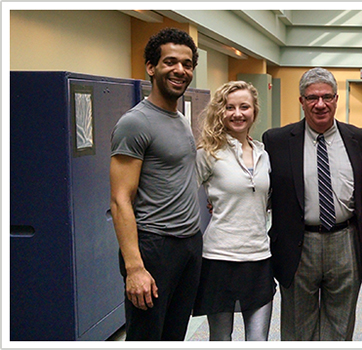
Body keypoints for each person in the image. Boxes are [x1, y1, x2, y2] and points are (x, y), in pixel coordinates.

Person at [262, 67, 362, 340]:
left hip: (345, 240)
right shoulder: (275, 141)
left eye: (327, 97)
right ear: (301, 101)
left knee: (341, 323)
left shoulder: (361, 139)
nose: (320, 104)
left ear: (337, 99)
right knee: (297, 326)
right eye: (312, 98)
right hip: (298, 243)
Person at [109, 27, 202, 341]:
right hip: (155, 246)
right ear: (151, 67)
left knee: (174, 335)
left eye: (187, 64)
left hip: (188, 243)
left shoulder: (179, 119)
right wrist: (135, 267)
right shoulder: (136, 122)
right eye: (170, 62)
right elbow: (121, 198)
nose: (180, 70)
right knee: (147, 336)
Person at [192, 81, 275, 341]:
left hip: (259, 255)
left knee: (258, 340)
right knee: (220, 338)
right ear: (221, 112)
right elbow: (183, 196)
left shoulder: (263, 153)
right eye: (230, 107)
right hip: (219, 257)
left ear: (254, 112)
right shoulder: (208, 153)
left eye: (244, 107)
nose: (237, 113)